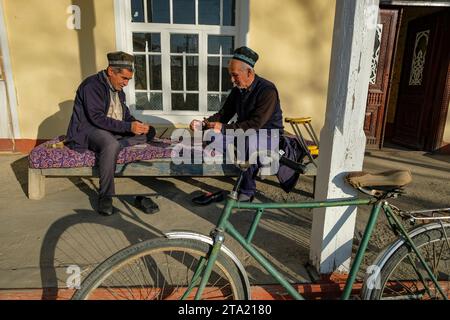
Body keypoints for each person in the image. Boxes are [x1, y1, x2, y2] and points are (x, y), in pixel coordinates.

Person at [65, 51, 155, 216]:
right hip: (88, 130)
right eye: (124, 78)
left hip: (110, 130)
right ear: (111, 71)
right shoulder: (91, 86)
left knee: (146, 134)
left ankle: (115, 148)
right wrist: (128, 128)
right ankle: (105, 195)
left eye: (128, 79)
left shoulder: (118, 90)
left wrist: (139, 125)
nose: (126, 83)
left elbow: (125, 116)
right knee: (110, 144)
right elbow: (96, 118)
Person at [190, 46, 284, 202]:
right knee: (210, 135)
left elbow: (255, 124)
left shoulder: (268, 90)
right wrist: (203, 124)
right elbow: (223, 114)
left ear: (249, 72)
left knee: (246, 140)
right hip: (243, 131)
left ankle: (247, 189)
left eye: (235, 75)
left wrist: (224, 128)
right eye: (230, 75)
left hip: (268, 134)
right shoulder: (237, 91)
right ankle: (239, 156)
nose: (232, 80)